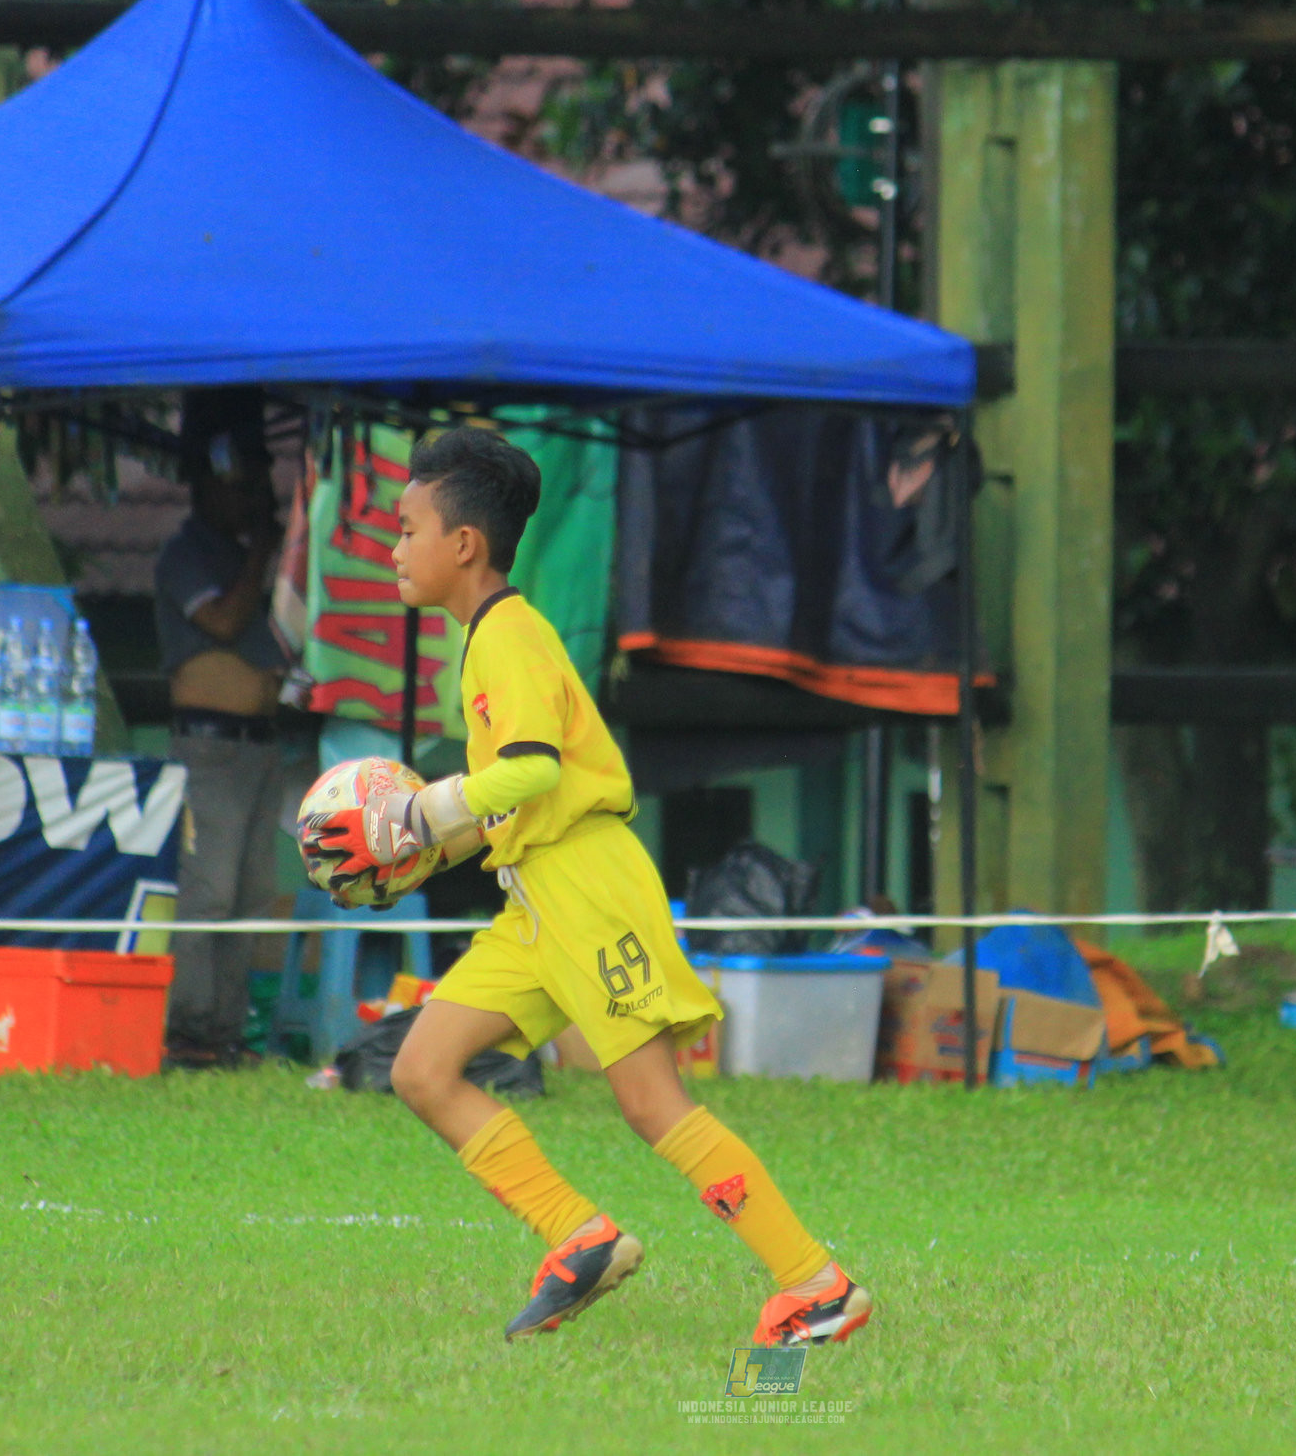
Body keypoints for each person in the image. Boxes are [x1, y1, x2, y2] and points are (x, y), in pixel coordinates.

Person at [304, 427, 871, 1347]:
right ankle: (580, 1237)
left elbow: (527, 771)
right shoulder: (485, 639)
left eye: (407, 529)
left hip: (588, 890)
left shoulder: (510, 636)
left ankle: (818, 1285)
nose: (393, 547)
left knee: (653, 1104)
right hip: (535, 900)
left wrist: (422, 810)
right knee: (421, 1068)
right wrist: (409, 852)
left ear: (464, 545)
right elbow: (507, 805)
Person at [153, 422, 289, 1066]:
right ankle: (188, 1029)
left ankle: (227, 1032)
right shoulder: (188, 554)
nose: (255, 498)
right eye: (243, 486)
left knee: (249, 894)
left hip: (259, 748)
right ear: (207, 487)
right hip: (209, 750)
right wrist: (263, 549)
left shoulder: (243, 558)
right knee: (207, 890)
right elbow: (223, 621)